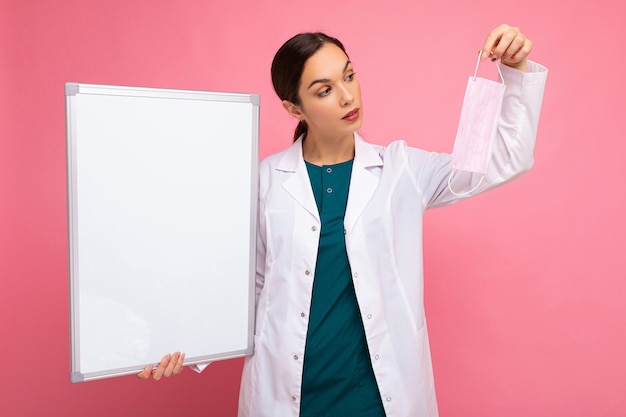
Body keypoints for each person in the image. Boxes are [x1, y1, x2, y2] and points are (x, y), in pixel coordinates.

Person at [138, 24, 548, 417]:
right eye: (325, 90)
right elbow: (247, 289)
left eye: (349, 76)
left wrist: (514, 71)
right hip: (290, 396)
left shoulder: (401, 169)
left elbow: (505, 159)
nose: (348, 96)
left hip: (378, 399)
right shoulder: (263, 181)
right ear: (293, 107)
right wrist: (177, 345)